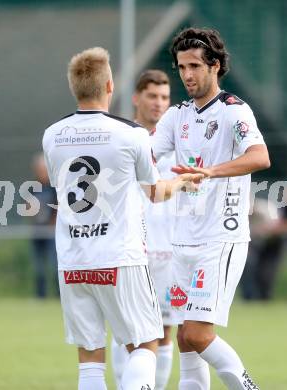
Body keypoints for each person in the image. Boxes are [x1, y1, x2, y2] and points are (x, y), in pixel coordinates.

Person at [42, 47, 203, 390]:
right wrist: (181, 182)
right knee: (146, 344)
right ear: (110, 86)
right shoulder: (131, 134)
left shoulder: (52, 135)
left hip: (72, 261)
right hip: (120, 257)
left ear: (74, 87)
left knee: (89, 358)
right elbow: (154, 192)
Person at [152, 27, 270, 389]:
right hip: (182, 241)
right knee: (185, 339)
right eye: (181, 67)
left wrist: (212, 171)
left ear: (214, 66)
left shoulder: (235, 111)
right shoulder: (177, 115)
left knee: (199, 335)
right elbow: (146, 157)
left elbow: (260, 157)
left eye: (194, 66)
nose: (187, 74)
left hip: (220, 240)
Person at [111, 69, 175, 390]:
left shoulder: (177, 143)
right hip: (129, 247)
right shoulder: (124, 139)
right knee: (127, 332)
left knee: (164, 331)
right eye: (152, 96)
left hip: (169, 252)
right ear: (136, 98)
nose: (159, 103)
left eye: (164, 97)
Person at [30, 153, 58, 298]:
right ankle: (40, 296)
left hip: (52, 233)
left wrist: (53, 224)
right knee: (38, 267)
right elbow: (27, 208)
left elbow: (59, 209)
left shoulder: (55, 187)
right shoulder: (32, 187)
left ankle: (59, 296)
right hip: (37, 232)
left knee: (56, 266)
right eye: (38, 169)